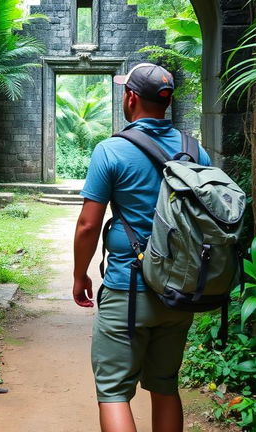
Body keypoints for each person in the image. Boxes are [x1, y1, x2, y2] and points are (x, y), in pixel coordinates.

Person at [72, 62, 211, 432]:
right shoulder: (196, 151)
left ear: (130, 98)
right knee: (165, 385)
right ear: (166, 102)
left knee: (114, 391)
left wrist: (79, 275)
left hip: (127, 288)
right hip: (179, 291)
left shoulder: (111, 150)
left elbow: (88, 224)